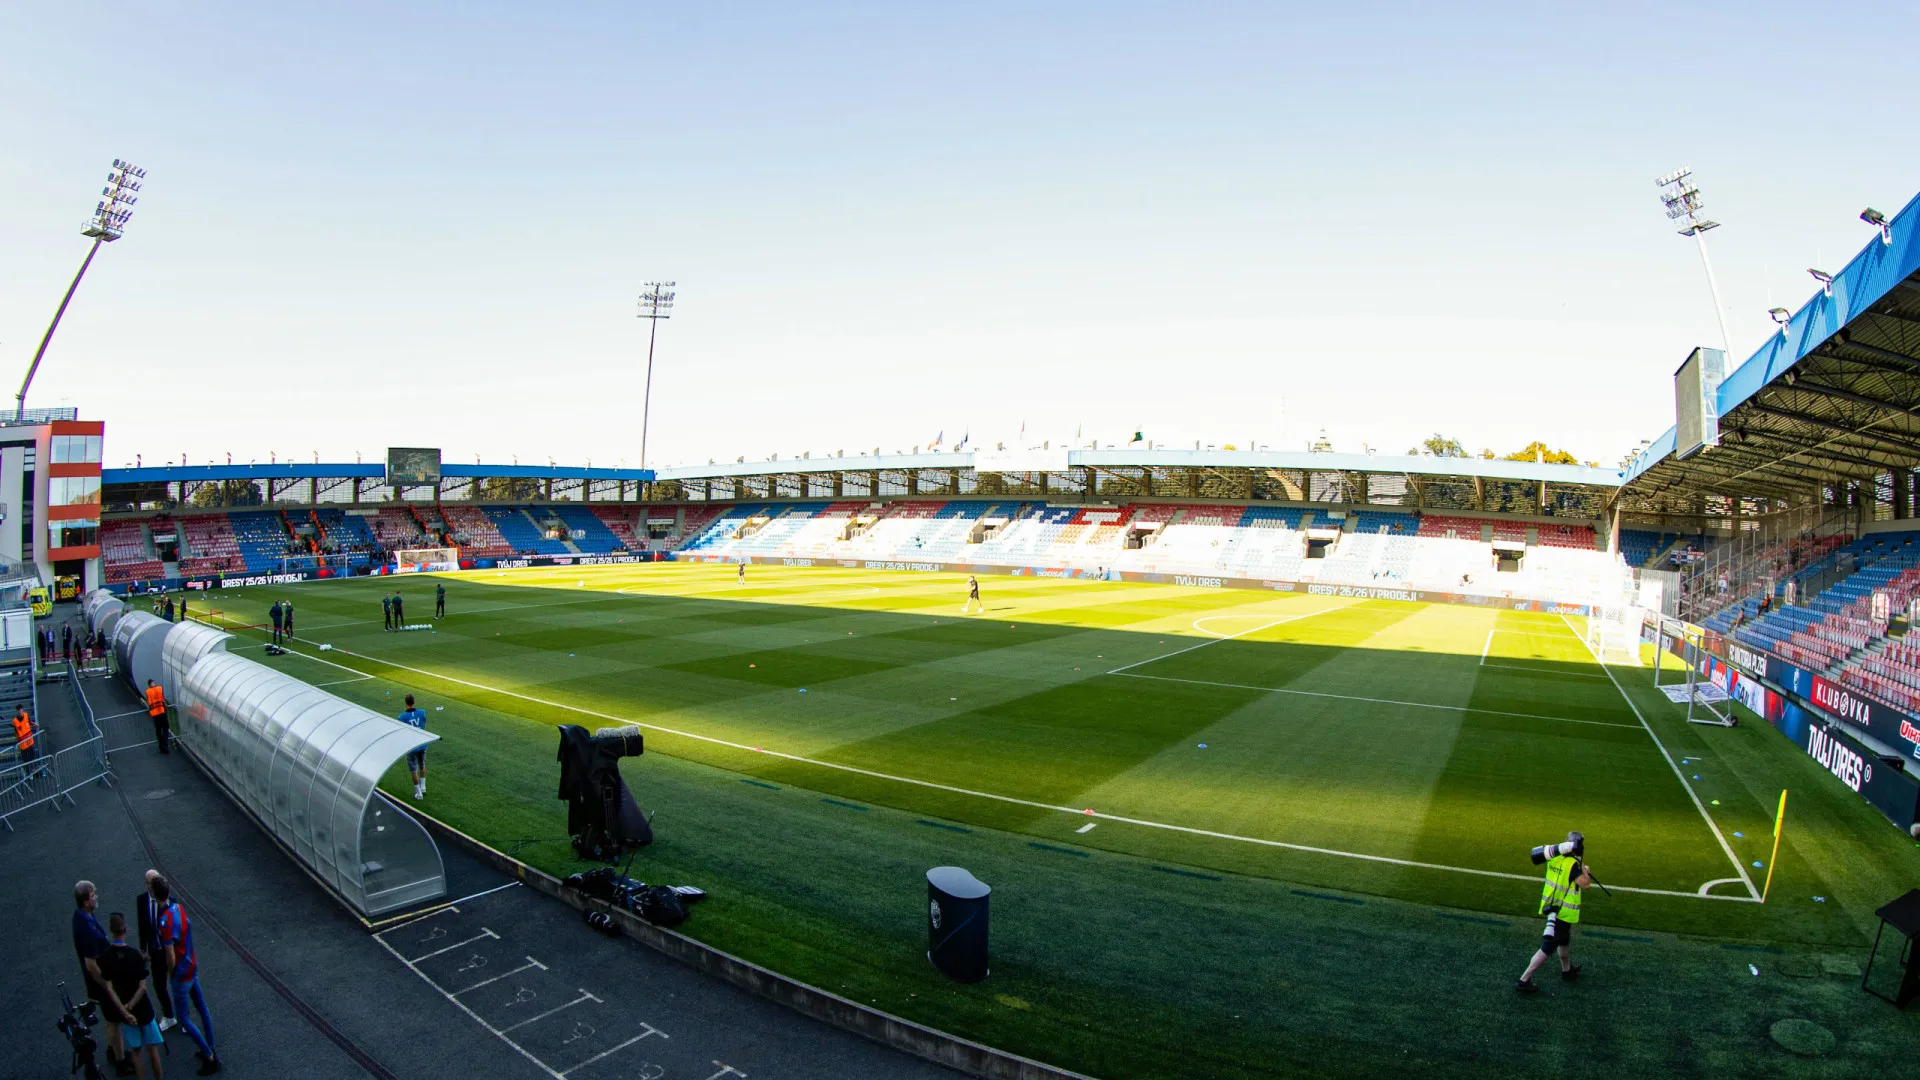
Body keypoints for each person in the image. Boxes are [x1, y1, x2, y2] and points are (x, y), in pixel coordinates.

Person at [153, 876, 220, 1074]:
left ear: (154, 894)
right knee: (202, 1007)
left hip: (181, 974)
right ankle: (211, 1046)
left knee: (183, 1018)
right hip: (191, 966)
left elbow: (170, 955)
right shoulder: (178, 908)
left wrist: (171, 973)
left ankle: (208, 1055)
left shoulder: (164, 921)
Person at [1517, 832, 1592, 994]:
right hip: (1562, 912)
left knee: (1564, 940)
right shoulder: (1572, 865)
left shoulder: (1553, 857)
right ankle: (1524, 980)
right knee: (1547, 948)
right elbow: (1585, 884)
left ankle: (1567, 970)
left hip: (1554, 907)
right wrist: (1585, 870)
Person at [99, 912, 165, 1079]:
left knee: (135, 1052)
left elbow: (109, 988)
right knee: (153, 1050)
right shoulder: (135, 955)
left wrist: (125, 1011)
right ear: (125, 929)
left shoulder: (106, 956)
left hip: (125, 1013)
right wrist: (131, 1005)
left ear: (111, 930)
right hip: (143, 1008)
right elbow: (142, 987)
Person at [74, 880, 127, 1070]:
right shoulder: (86, 928)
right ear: (85, 901)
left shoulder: (83, 916)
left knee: (109, 1019)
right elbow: (91, 964)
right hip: (101, 981)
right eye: (93, 895)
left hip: (100, 979)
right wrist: (107, 985)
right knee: (115, 1020)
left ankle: (112, 1050)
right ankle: (121, 1060)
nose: (97, 897)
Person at [135, 870, 176, 1031]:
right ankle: (169, 1016)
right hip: (156, 950)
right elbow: (142, 926)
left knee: (178, 983)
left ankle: (184, 1015)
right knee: (159, 985)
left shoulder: (171, 902)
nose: (152, 886)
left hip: (170, 949)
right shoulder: (141, 900)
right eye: (149, 883)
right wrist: (143, 948)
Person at [397, 694, 428, 799]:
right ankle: (423, 787)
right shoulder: (422, 712)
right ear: (414, 702)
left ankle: (419, 793)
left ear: (405, 703)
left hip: (411, 746)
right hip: (422, 743)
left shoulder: (401, 717)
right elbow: (423, 722)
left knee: (413, 769)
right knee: (422, 765)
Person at [146, 680, 170, 754]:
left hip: (155, 714)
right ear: (154, 683)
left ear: (149, 685)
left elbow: (149, 702)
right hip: (162, 712)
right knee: (165, 729)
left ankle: (161, 746)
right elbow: (162, 700)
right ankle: (165, 745)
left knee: (158, 731)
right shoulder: (159, 688)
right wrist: (165, 707)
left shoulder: (148, 692)